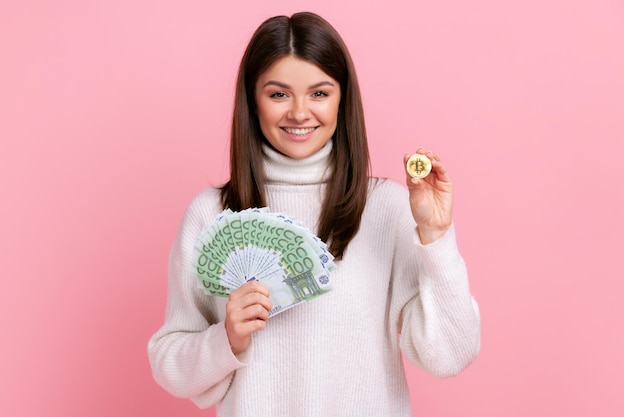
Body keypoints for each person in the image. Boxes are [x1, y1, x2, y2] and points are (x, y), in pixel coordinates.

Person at [148, 11, 480, 417]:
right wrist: (226, 341)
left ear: (343, 99)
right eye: (278, 94)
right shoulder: (210, 214)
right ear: (252, 101)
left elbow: (451, 354)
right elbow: (169, 363)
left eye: (320, 93)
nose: (300, 113)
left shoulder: (387, 208)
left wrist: (435, 235)